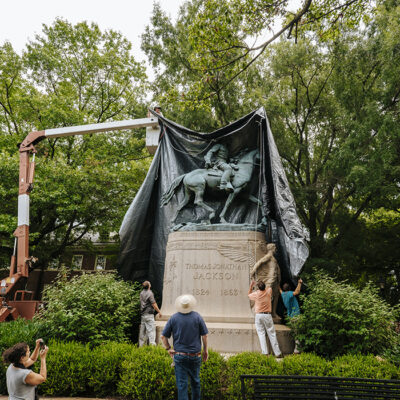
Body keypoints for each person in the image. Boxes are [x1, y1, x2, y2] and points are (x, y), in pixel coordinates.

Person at [161, 294, 208, 400]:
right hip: (195, 355)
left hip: (179, 356)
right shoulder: (197, 317)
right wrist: (205, 351)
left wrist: (169, 349)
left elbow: (163, 337)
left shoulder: (174, 318)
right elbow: (204, 335)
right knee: (195, 383)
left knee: (182, 386)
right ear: (191, 305)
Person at [248, 280, 282, 357]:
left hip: (258, 315)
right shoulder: (268, 291)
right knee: (272, 334)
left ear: (258, 288)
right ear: (264, 287)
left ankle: (265, 353)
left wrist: (251, 286)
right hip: (267, 315)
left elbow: (249, 295)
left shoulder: (256, 294)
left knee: (261, 334)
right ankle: (278, 353)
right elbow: (269, 287)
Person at [250, 243, 281, 319]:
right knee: (266, 295)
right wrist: (253, 271)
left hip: (275, 279)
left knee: (276, 295)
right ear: (271, 248)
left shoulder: (272, 257)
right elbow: (259, 262)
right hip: (270, 278)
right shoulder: (269, 256)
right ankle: (257, 310)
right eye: (274, 247)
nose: (275, 249)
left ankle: (273, 313)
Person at [280, 278, 303, 354]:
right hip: (295, 315)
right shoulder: (290, 293)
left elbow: (279, 290)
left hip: (290, 316)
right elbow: (297, 292)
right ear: (289, 289)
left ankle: (299, 349)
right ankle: (296, 350)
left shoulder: (283, 294)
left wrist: (277, 283)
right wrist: (299, 283)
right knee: (297, 333)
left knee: (295, 332)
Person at [139, 280, 162, 346]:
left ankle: (141, 348)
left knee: (142, 333)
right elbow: (154, 304)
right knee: (151, 332)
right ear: (149, 286)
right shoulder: (150, 293)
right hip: (149, 315)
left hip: (143, 315)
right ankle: (152, 348)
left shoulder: (141, 293)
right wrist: (159, 312)